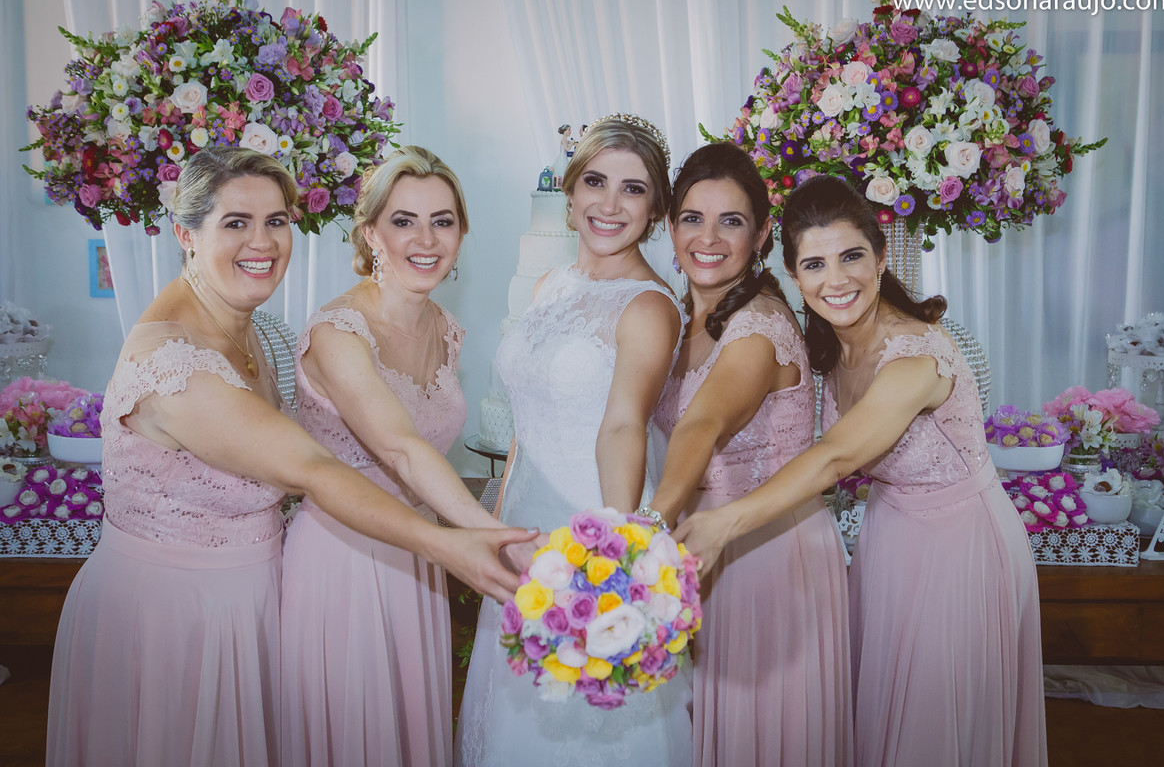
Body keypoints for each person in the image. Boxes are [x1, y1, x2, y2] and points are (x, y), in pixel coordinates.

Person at [45, 147, 535, 767]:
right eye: (235, 222)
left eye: (277, 221)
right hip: (171, 619)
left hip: (253, 603)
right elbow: (316, 468)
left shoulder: (252, 328)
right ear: (184, 234)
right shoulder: (172, 361)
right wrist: (447, 544)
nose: (263, 241)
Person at [674, 174, 1048, 767]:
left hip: (962, 548)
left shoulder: (914, 355)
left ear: (880, 255)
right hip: (888, 538)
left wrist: (726, 524)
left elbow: (837, 455)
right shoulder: (832, 346)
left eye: (851, 256)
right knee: (877, 721)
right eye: (814, 264)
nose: (836, 279)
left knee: (932, 729)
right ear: (794, 277)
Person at [455, 114, 692, 767]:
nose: (610, 203)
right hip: (523, 530)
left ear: (656, 208)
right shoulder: (548, 286)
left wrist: (614, 557)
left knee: (586, 717)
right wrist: (497, 528)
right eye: (595, 181)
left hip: (591, 533)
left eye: (634, 188)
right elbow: (525, 428)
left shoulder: (649, 306)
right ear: (570, 191)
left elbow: (622, 426)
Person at [279, 146, 518, 766]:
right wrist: (494, 536)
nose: (426, 238)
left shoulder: (446, 327)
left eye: (443, 221)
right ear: (370, 234)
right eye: (403, 220)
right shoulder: (337, 331)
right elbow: (399, 445)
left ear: (462, 234)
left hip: (419, 561)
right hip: (344, 559)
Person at [647, 143, 852, 767]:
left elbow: (701, 424)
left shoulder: (758, 326)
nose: (707, 238)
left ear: (762, 233)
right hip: (708, 550)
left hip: (767, 561)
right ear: (671, 224)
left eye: (730, 221)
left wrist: (647, 529)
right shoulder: (684, 317)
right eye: (692, 218)